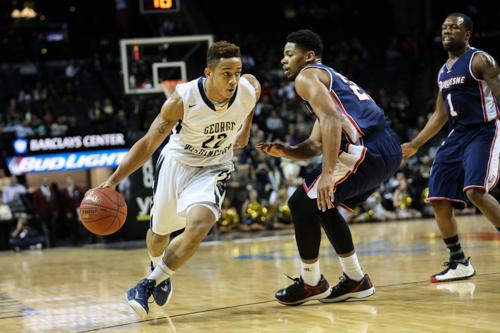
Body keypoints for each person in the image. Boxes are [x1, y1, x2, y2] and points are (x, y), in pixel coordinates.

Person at [98, 41, 261, 318]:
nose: (233, 79)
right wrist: (113, 180)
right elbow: (149, 143)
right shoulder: (181, 100)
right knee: (158, 237)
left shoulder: (248, 90)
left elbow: (253, 90)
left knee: (201, 223)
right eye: (225, 73)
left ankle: (147, 285)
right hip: (178, 162)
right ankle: (156, 266)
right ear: (208, 73)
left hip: (214, 166)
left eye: (237, 72)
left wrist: (245, 125)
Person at [257, 30, 401, 305]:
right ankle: (355, 278)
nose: (283, 60)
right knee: (322, 204)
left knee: (300, 202)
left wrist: (326, 174)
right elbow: (313, 144)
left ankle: (311, 282)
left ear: (308, 56)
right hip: (384, 147)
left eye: (289, 54)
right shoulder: (327, 82)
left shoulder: (307, 76)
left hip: (367, 148)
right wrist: (286, 151)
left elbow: (333, 120)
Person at [402, 13, 500, 282]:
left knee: (475, 191)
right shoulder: (443, 71)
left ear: (467, 34)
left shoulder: (480, 60)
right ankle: (459, 262)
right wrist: (415, 144)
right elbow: (439, 114)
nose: (447, 31)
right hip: (457, 135)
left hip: (484, 130)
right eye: (444, 27)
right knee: (437, 196)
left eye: (454, 28)